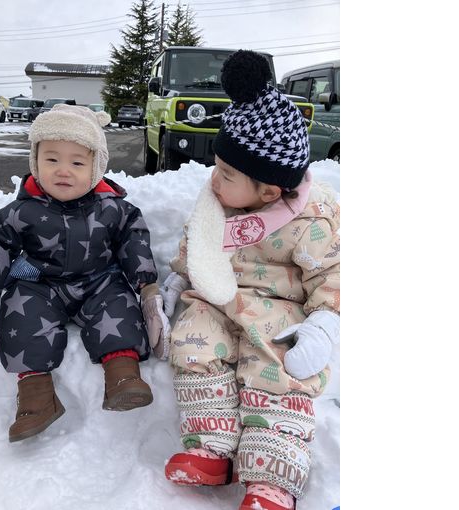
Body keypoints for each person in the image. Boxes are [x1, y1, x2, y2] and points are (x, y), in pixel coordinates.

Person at [150, 50, 341, 510]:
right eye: (217, 167)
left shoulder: (311, 219)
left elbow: (333, 275)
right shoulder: (218, 201)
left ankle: (271, 477)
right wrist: (179, 283)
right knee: (193, 343)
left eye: (227, 173)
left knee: (273, 369)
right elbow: (195, 244)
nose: (214, 180)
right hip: (215, 297)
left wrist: (323, 324)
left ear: (269, 191)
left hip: (278, 309)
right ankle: (211, 448)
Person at [0, 104, 162, 443]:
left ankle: (123, 375)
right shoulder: (20, 213)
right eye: (51, 159)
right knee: (19, 312)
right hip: (41, 284)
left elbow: (134, 243)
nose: (63, 170)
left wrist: (147, 286)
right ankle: (37, 398)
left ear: (96, 167)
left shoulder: (113, 209)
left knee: (118, 305)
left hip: (99, 282)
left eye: (77, 162)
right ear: (35, 161)